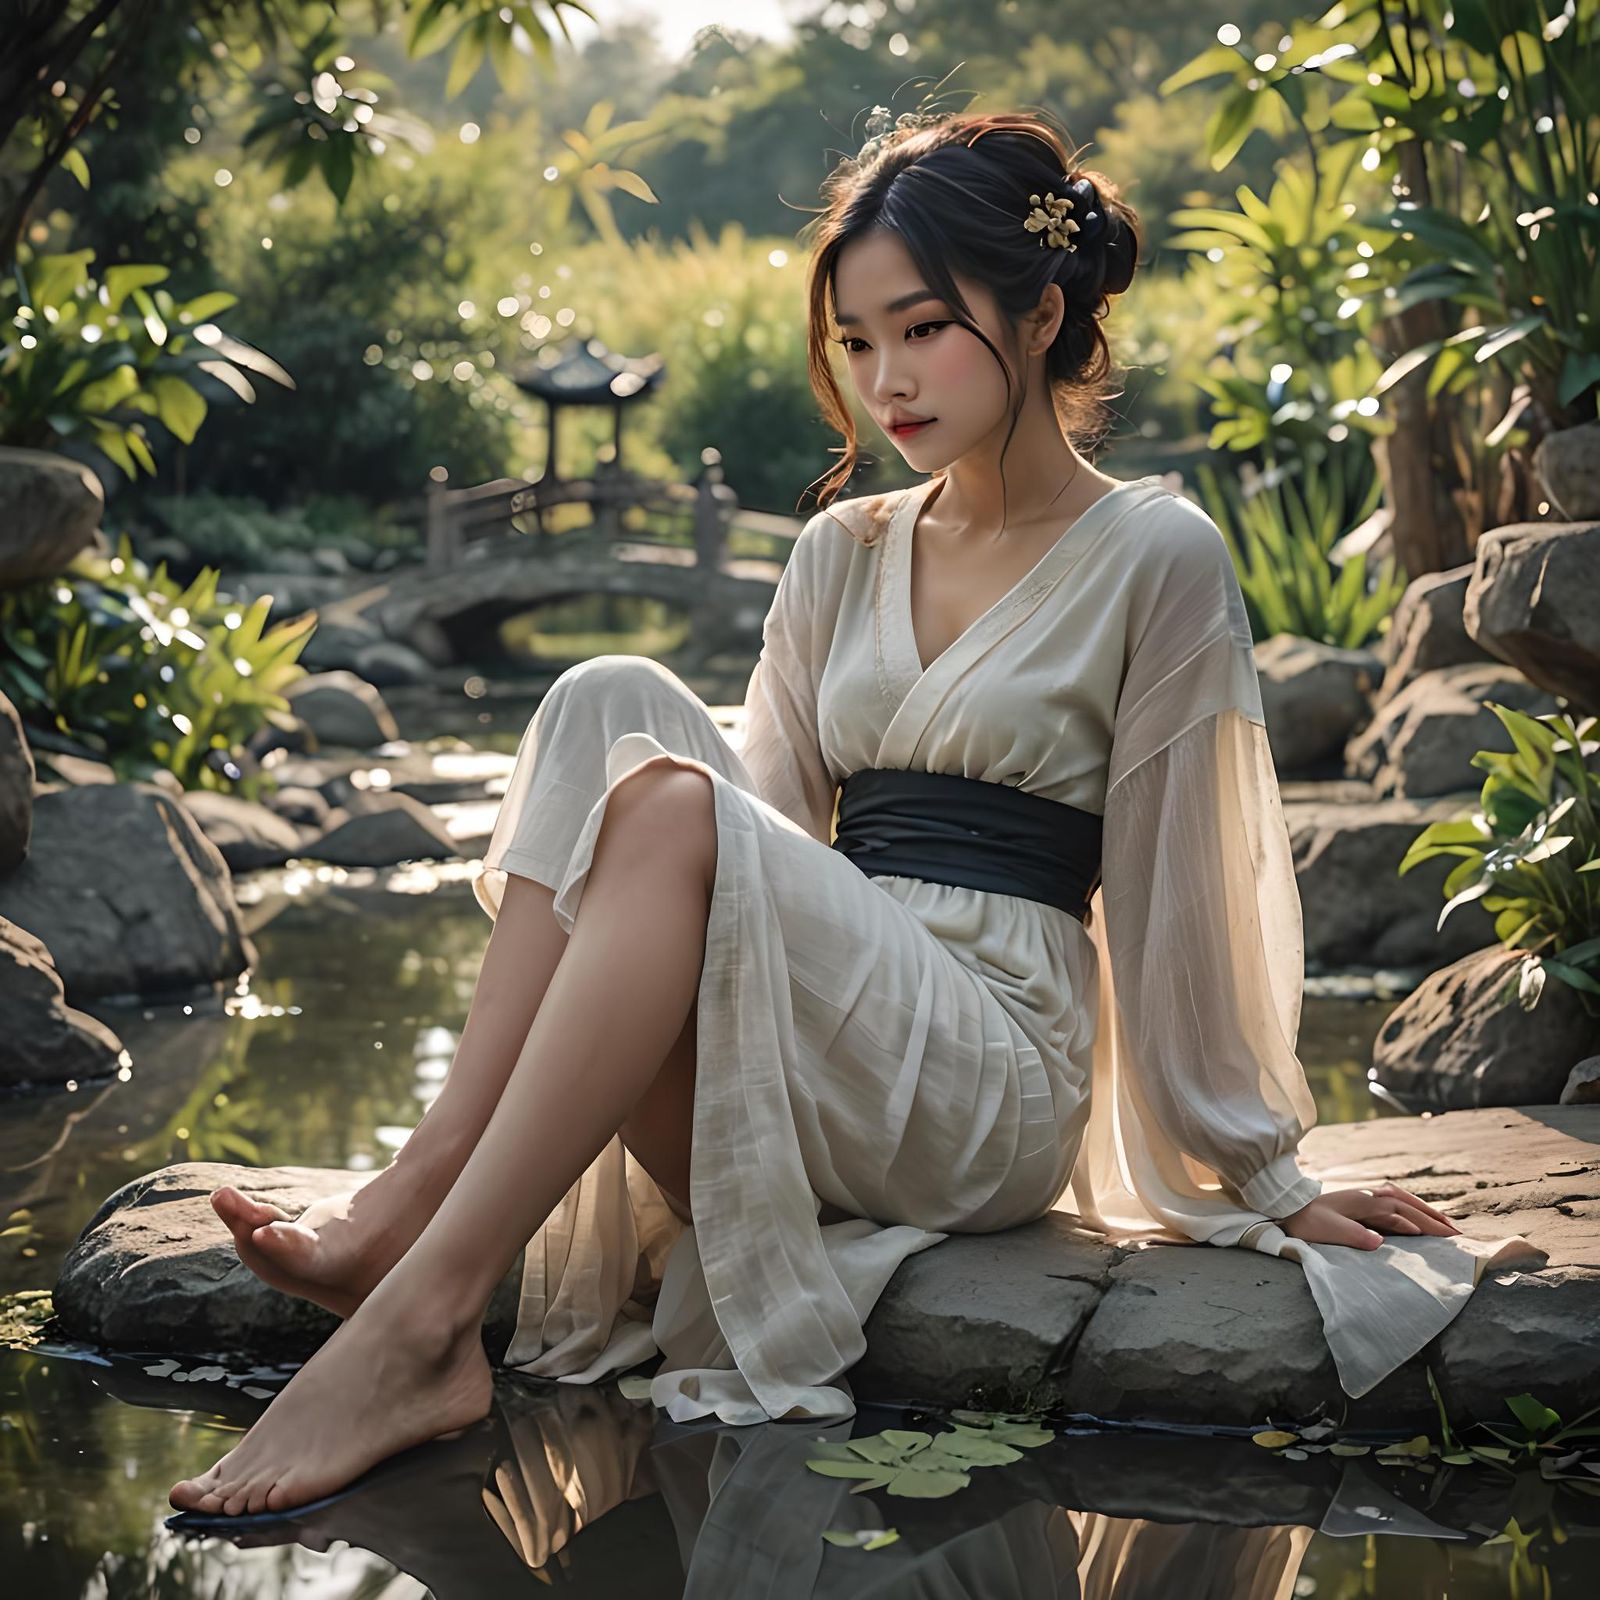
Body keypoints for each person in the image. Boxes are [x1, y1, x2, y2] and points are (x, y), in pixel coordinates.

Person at [169, 109, 1540, 1518]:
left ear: (1042, 312)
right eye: (857, 341)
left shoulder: (1154, 554)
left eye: (925, 329)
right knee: (605, 698)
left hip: (989, 1070)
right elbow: (748, 835)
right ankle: (414, 1200)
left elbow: (1179, 888)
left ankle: (416, 1321)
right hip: (819, 1031)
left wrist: (1259, 1174)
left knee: (662, 796)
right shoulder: (844, 549)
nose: (886, 380)